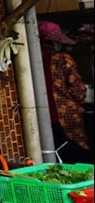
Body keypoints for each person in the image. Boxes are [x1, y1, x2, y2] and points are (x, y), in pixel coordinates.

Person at [38, 21, 91, 163]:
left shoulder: (31, 60)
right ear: (55, 40)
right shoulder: (63, 59)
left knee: (54, 156)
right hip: (67, 117)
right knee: (78, 157)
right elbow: (78, 91)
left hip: (40, 119)